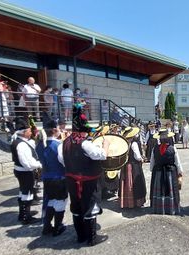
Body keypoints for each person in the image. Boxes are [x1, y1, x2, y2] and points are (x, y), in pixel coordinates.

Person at [62, 103, 109, 246]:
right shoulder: (85, 144)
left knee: (76, 207)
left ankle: (80, 236)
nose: (87, 134)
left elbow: (62, 160)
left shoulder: (64, 142)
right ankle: (92, 239)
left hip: (72, 181)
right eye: (86, 131)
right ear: (82, 131)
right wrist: (105, 145)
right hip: (88, 183)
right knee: (90, 207)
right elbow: (101, 155)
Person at [35, 114, 67, 236]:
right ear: (54, 130)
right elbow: (64, 162)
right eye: (58, 128)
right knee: (60, 202)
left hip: (47, 178)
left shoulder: (39, 145)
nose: (59, 130)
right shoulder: (58, 145)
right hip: (59, 178)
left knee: (51, 201)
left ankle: (47, 226)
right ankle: (58, 226)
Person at [11, 117, 42, 224]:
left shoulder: (17, 141)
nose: (31, 132)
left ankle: (22, 213)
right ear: (24, 132)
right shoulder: (22, 145)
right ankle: (26, 216)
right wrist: (39, 164)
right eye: (29, 130)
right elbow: (28, 164)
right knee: (27, 193)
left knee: (23, 191)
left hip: (20, 170)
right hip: (25, 172)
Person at [150, 129, 183, 215]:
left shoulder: (155, 148)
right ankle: (170, 208)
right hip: (170, 173)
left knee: (160, 190)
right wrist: (180, 172)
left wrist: (153, 170)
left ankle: (159, 208)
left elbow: (152, 163)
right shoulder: (173, 148)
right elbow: (177, 162)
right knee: (170, 190)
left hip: (158, 172)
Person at [119, 127, 146, 209]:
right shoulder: (134, 143)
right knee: (134, 183)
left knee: (126, 182)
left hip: (125, 165)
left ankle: (126, 202)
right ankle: (136, 202)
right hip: (133, 165)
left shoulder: (123, 143)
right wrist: (142, 159)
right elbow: (137, 156)